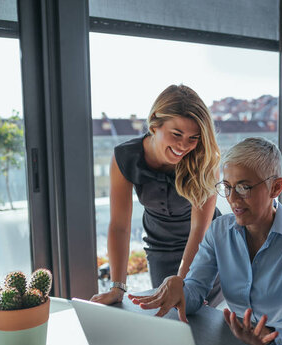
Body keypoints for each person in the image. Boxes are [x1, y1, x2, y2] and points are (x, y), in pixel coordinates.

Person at [129, 137, 282, 345]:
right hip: (234, 343)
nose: (232, 199)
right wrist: (179, 291)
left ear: (276, 188)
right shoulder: (219, 230)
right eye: (227, 187)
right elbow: (196, 291)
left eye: (244, 188)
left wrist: (269, 334)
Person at [91, 84, 223, 306]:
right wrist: (117, 288)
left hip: (206, 248)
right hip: (159, 247)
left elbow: (199, 230)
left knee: (199, 319)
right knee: (167, 321)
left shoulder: (206, 160)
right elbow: (119, 226)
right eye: (176, 134)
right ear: (155, 123)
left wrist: (181, 282)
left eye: (194, 137)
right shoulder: (125, 157)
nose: (184, 145)